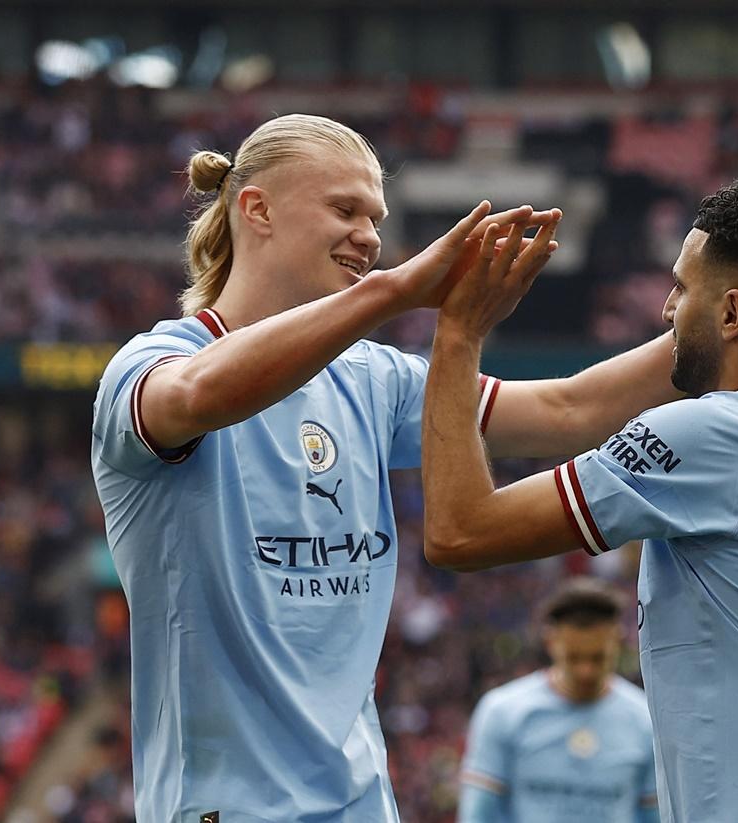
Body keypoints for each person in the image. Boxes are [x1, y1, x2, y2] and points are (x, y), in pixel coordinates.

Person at [90, 113, 681, 823]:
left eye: (376, 216)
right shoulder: (152, 366)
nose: (369, 236)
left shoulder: (373, 378)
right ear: (257, 209)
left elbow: (566, 409)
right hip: (228, 809)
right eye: (344, 209)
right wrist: (393, 293)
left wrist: (715, 328)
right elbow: (201, 394)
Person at [419, 180, 738, 822]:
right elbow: (578, 405)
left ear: (731, 314)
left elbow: (459, 532)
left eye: (680, 287)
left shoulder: (715, 435)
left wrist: (458, 332)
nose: (666, 308)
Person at [458, 578, 657, 823]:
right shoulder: (502, 712)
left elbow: (654, 817)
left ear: (618, 640)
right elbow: (479, 814)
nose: (586, 671)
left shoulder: (645, 721)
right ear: (550, 641)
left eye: (597, 658)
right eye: (573, 658)